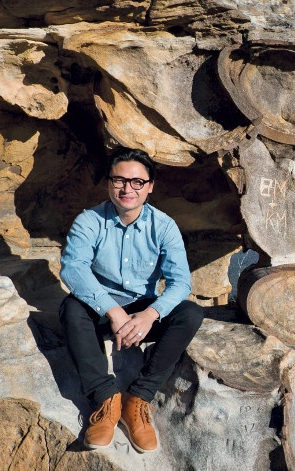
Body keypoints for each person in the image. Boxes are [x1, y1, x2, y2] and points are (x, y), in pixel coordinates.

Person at [59, 146, 203, 453]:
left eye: (137, 182)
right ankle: (106, 400)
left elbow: (181, 283)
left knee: (190, 314)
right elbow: (73, 269)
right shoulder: (89, 221)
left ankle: (138, 400)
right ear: (109, 183)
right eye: (120, 180)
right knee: (70, 307)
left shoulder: (163, 226)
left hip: (142, 310)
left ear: (150, 186)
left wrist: (150, 314)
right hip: (101, 309)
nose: (128, 189)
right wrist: (113, 311)